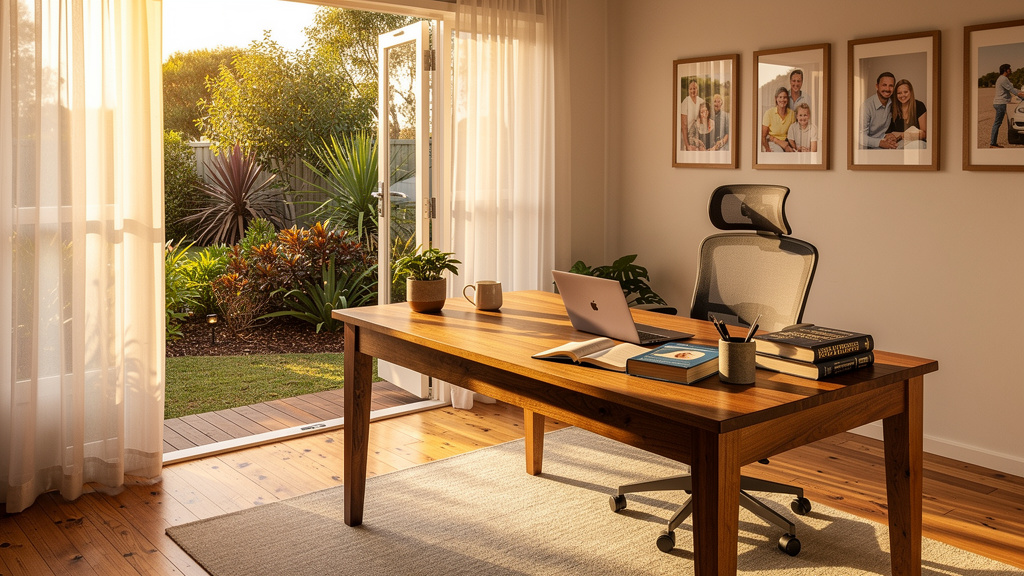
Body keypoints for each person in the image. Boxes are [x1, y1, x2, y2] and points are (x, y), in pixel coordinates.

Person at [884, 79, 927, 149]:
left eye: (905, 92)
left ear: (911, 92)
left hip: (917, 143)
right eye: (899, 93)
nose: (902, 95)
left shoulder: (919, 106)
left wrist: (902, 135)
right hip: (898, 145)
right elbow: (888, 133)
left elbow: (924, 134)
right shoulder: (892, 108)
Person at [990, 63, 1024, 148]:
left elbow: (1014, 89)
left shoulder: (1003, 79)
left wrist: (1022, 92)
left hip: (1000, 103)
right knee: (997, 123)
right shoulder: (1003, 79)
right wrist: (1022, 95)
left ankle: (993, 143)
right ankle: (992, 143)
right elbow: (1013, 90)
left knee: (999, 123)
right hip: (1001, 103)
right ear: (1006, 70)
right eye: (1009, 69)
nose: (1011, 70)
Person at [860, 72, 896, 149]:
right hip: (866, 151)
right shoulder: (866, 106)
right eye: (884, 85)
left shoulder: (892, 103)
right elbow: (861, 137)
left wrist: (887, 136)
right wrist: (880, 143)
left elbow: (880, 133)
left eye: (891, 86)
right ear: (877, 86)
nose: (887, 89)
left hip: (883, 146)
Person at [761, 86, 795, 152]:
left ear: (787, 99)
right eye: (780, 97)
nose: (782, 100)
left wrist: (790, 147)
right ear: (776, 98)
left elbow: (793, 133)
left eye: (785, 97)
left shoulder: (792, 114)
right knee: (779, 153)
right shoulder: (769, 113)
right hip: (773, 142)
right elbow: (763, 136)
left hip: (787, 142)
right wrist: (768, 149)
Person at [680, 79, 705, 148]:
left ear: (697, 89)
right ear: (688, 90)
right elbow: (684, 125)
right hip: (686, 135)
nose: (692, 91)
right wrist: (687, 145)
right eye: (690, 89)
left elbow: (704, 119)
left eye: (694, 88)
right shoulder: (685, 102)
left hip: (698, 135)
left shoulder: (701, 101)